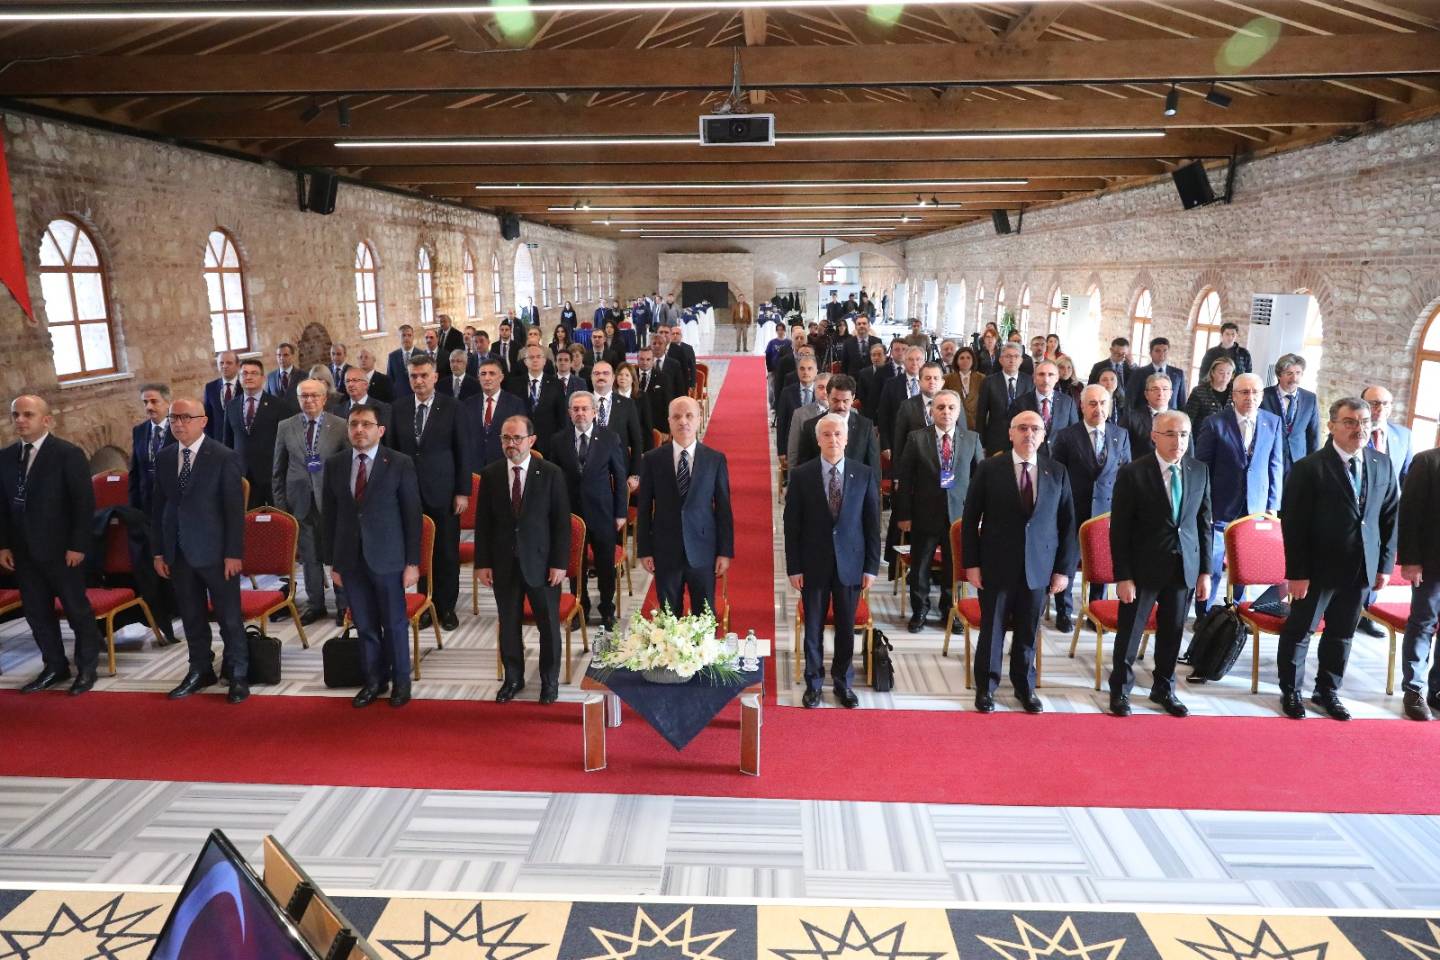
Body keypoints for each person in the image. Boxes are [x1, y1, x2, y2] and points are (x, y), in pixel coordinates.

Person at [1276, 397, 1399, 721]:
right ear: (1331, 426)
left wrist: (1384, 565)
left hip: (1360, 567)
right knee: (1300, 632)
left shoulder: (1381, 463)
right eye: (1350, 422)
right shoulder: (1309, 467)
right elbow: (1294, 525)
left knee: (1342, 634)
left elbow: (1389, 517)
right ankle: (1291, 691)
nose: (1359, 429)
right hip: (1316, 569)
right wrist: (1297, 572)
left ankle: (1327, 690)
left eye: (1364, 422)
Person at [961, 411, 1077, 713]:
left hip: (1039, 568)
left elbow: (1068, 524)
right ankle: (986, 688)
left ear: (1043, 435)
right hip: (996, 566)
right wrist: (971, 564)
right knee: (992, 631)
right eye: (1022, 428)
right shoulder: (989, 469)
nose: (1029, 434)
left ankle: (1025, 686)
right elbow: (970, 519)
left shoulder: (1057, 471)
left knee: (1028, 631)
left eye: (1035, 429)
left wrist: (1063, 570)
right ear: (1011, 433)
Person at [1106, 410, 1213, 718]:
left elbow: (1204, 523)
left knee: (1173, 631)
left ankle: (1164, 688)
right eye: (1170, 434)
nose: (1178, 441)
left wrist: (1205, 571)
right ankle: (1120, 690)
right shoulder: (1133, 472)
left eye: (1184, 435)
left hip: (1183, 566)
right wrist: (1123, 575)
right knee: (1131, 632)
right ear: (1154, 436)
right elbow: (1120, 529)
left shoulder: (1199, 470)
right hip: (1142, 569)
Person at [0, 395, 103, 695]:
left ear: (46, 420)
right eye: (16, 415)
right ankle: (54, 666)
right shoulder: (6, 457)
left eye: (27, 414)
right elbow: (2, 506)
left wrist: (78, 545)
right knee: (36, 612)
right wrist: (3, 545)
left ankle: (87, 668)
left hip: (62, 549)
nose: (20, 420)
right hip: (23, 550)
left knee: (76, 610)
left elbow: (83, 504)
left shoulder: (67, 454)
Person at [150, 397, 249, 703]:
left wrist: (233, 553)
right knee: (191, 615)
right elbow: (158, 507)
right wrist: (159, 551)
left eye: (186, 418)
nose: (178, 424)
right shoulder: (165, 457)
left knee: (229, 617)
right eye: (174, 418)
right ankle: (200, 668)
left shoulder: (223, 456)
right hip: (179, 551)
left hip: (217, 552)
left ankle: (238, 672)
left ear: (203, 421)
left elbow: (234, 511)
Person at [321, 404, 420, 708]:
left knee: (394, 624)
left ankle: (401, 682)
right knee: (364, 625)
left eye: (366, 424)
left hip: (388, 558)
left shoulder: (399, 462)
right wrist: (332, 562)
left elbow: (412, 515)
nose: (359, 430)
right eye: (354, 424)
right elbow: (330, 516)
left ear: (380, 430)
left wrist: (413, 562)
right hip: (350, 559)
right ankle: (374, 681)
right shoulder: (336, 464)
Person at [785, 413, 881, 708]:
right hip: (813, 564)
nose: (833, 439)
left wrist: (871, 567)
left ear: (847, 438)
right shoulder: (801, 475)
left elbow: (872, 525)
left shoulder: (863, 474)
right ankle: (813, 684)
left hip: (850, 565)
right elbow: (792, 526)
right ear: (818, 440)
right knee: (813, 628)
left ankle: (843, 682)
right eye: (826, 434)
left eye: (838, 434)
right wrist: (794, 567)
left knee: (845, 628)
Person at [476, 415, 571, 705]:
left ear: (531, 440)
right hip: (504, 563)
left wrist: (559, 563)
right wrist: (483, 563)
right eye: (506, 438)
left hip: (542, 565)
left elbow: (561, 523)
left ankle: (549, 681)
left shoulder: (551, 473)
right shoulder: (491, 474)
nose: (511, 444)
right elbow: (484, 524)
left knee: (548, 626)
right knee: (508, 624)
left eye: (517, 438)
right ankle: (513, 678)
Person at [390, 355, 471, 632]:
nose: (419, 381)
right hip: (408, 493)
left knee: (446, 551)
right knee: (419, 550)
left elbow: (463, 451)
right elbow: (392, 452)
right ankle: (426, 605)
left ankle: (446, 608)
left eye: (424, 375)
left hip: (444, 491)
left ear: (435, 377)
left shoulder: (453, 407)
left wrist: (462, 491)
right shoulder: (398, 408)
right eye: (414, 376)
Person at [1192, 373, 1283, 615]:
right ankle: (1204, 613)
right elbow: (1202, 468)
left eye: (1255, 392)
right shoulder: (1215, 423)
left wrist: (1272, 505)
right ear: (1233, 395)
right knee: (1212, 564)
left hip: (1255, 506)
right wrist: (1204, 504)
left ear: (1262, 396)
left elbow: (1275, 464)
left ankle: (1235, 612)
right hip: (1220, 506)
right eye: (1244, 392)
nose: (1250, 397)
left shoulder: (1272, 422)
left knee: (1244, 564)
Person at [895, 390, 984, 633]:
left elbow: (980, 480)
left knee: (953, 566)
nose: (946, 412)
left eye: (951, 407)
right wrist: (904, 515)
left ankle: (949, 609)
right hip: (924, 513)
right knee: (920, 565)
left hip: (959, 516)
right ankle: (920, 610)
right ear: (931, 410)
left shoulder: (972, 439)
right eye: (940, 407)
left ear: (958, 411)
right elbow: (905, 479)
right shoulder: (916, 438)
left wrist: (979, 516)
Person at [637, 396, 734, 618]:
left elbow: (723, 509)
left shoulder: (715, 459)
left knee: (704, 616)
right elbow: (644, 509)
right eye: (677, 416)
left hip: (703, 550)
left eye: (689, 416)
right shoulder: (652, 459)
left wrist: (724, 551)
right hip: (665, 550)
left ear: (698, 419)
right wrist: (644, 550)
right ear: (669, 421)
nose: (683, 421)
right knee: (669, 616)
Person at [1049, 385, 1132, 634]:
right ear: (1082, 406)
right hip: (1073, 508)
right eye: (1093, 403)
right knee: (1067, 560)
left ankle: (1096, 611)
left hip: (1106, 510)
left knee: (1101, 560)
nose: (1098, 408)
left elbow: (1126, 474)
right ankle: (1063, 611)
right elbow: (1056, 476)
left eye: (1103, 403)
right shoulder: (1066, 436)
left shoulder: (1120, 435)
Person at [272, 378, 351, 627]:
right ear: (298, 399)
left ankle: (343, 605)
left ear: (324, 398)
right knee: (309, 557)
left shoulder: (340, 425)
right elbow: (278, 470)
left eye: (314, 395)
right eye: (304, 396)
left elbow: (349, 466)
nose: (309, 400)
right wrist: (282, 508)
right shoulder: (285, 426)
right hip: (299, 501)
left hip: (332, 502)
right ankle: (315, 604)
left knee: (337, 556)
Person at [551, 392, 628, 630]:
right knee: (576, 566)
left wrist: (621, 513)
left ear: (594, 412)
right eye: (575, 409)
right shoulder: (558, 440)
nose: (580, 413)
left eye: (585, 409)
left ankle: (607, 609)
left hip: (603, 513)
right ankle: (580, 607)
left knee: (605, 565)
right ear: (569, 413)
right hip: (572, 515)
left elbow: (620, 477)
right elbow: (553, 480)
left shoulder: (609, 438)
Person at [1398, 445, 1440, 720]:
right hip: (1431, 563)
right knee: (1423, 622)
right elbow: (1410, 515)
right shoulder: (1427, 461)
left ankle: (1438, 689)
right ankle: (1414, 690)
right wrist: (1410, 560)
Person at [225, 358, 293, 506]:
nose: (248, 377)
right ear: (239, 378)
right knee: (248, 518)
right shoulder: (231, 406)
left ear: (263, 378)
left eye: (254, 373)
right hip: (242, 475)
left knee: (276, 517)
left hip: (271, 474)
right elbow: (227, 442)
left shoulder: (279, 406)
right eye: (244, 373)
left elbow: (287, 443)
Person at [795, 374, 879, 473]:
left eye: (845, 401)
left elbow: (873, 469)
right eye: (835, 400)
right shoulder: (811, 426)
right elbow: (803, 467)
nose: (840, 406)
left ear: (853, 398)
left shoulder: (865, 427)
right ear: (827, 396)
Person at [1261, 353, 1321, 478]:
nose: (1294, 378)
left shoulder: (1310, 398)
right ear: (1279, 375)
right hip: (1269, 458)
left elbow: (1313, 434)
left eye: (1298, 373)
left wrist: (1313, 465)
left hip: (1298, 461)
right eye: (1289, 373)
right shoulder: (1263, 396)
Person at [464, 357, 525, 470]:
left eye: (492, 373)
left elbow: (519, 438)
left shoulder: (515, 403)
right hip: (474, 467)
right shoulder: (468, 404)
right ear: (478, 378)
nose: (487, 378)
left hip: (504, 466)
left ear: (501, 377)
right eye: (483, 374)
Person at [507, 344, 568, 457]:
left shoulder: (556, 384)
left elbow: (561, 416)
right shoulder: (513, 384)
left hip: (549, 442)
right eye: (531, 357)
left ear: (544, 361)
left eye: (538, 357)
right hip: (521, 441)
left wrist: (558, 440)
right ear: (525, 362)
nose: (535, 360)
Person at [589, 361, 644, 482]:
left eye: (606, 373)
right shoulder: (582, 403)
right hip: (589, 471)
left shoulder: (627, 404)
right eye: (597, 373)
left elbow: (636, 441)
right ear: (591, 377)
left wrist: (635, 474)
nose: (601, 377)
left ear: (613, 377)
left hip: (620, 471)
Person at [892, 362, 954, 467]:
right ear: (920, 382)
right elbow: (899, 442)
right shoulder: (907, 406)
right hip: (917, 467)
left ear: (942, 382)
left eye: (936, 378)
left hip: (947, 464)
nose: (932, 381)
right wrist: (898, 472)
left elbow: (962, 436)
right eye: (928, 378)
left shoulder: (954, 404)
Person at [975, 344, 1032, 456]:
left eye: (1016, 356)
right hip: (995, 439)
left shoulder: (1029, 381)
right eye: (1008, 356)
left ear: (1021, 360)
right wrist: (981, 443)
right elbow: (981, 415)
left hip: (1022, 437)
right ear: (1001, 360)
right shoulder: (989, 382)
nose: (1012, 360)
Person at [1013, 360, 1078, 456]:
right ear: (1034, 378)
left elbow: (1074, 433)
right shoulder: (1020, 403)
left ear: (1057, 378)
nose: (1046, 379)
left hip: (1060, 459)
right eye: (1041, 374)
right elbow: (1014, 434)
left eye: (1051, 375)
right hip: (1032, 457)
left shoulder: (1068, 402)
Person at [877, 346, 927, 458]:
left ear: (924, 362)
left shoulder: (931, 383)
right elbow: (883, 415)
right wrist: (885, 444)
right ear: (904, 361)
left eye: (918, 359)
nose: (914, 363)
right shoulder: (891, 384)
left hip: (925, 441)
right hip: (898, 440)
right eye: (910, 359)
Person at [775, 354, 821, 467]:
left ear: (816, 371)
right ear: (797, 371)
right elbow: (782, 422)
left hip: (816, 445)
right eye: (802, 368)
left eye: (810, 368)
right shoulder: (787, 392)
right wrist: (781, 450)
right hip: (793, 444)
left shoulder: (822, 392)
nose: (806, 372)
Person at [1125, 337, 1187, 411]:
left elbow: (1182, 402)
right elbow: (1130, 400)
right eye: (1158, 351)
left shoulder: (1178, 374)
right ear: (1151, 353)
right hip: (1144, 415)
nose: (1162, 354)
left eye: (1165, 351)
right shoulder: (1138, 373)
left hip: (1171, 415)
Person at [331, 367, 392, 437]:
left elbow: (387, 437)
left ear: (366, 384)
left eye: (355, 380)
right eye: (347, 381)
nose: (350, 384)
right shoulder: (337, 410)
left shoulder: (383, 408)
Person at [1125, 373, 1174, 459]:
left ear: (1171, 393)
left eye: (1165, 389)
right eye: (1155, 389)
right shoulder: (1131, 419)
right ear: (1146, 394)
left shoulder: (1180, 418)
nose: (1160, 393)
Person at [785, 374, 829, 468]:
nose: (825, 392)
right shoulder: (800, 414)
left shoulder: (848, 412)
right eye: (820, 387)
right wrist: (792, 475)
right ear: (814, 390)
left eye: (828, 387)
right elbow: (793, 450)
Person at [1184, 356, 1235, 430]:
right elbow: (1188, 420)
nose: (1225, 376)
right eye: (1221, 373)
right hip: (1203, 434)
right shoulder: (1199, 391)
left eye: (1228, 373)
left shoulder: (1235, 392)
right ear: (1212, 372)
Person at [945, 347, 985, 435]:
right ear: (957, 361)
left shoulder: (981, 378)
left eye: (968, 358)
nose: (965, 360)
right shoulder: (947, 379)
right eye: (962, 358)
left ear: (973, 360)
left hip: (976, 423)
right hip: (955, 422)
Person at [203, 351, 241, 444]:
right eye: (221, 363)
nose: (224, 366)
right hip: (218, 441)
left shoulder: (245, 387)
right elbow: (207, 417)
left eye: (229, 363)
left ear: (237, 366)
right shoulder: (210, 387)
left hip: (240, 440)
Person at [387, 324, 420, 397]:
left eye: (409, 335)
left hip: (418, 395)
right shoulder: (392, 356)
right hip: (399, 396)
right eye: (403, 335)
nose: (406, 338)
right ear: (399, 337)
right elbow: (390, 379)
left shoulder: (422, 355)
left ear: (413, 337)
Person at [665, 321, 698, 390]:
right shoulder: (665, 348)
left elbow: (692, 366)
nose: (675, 335)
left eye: (677, 333)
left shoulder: (688, 348)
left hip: (683, 381)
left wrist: (692, 384)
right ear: (670, 335)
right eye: (673, 334)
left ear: (681, 336)